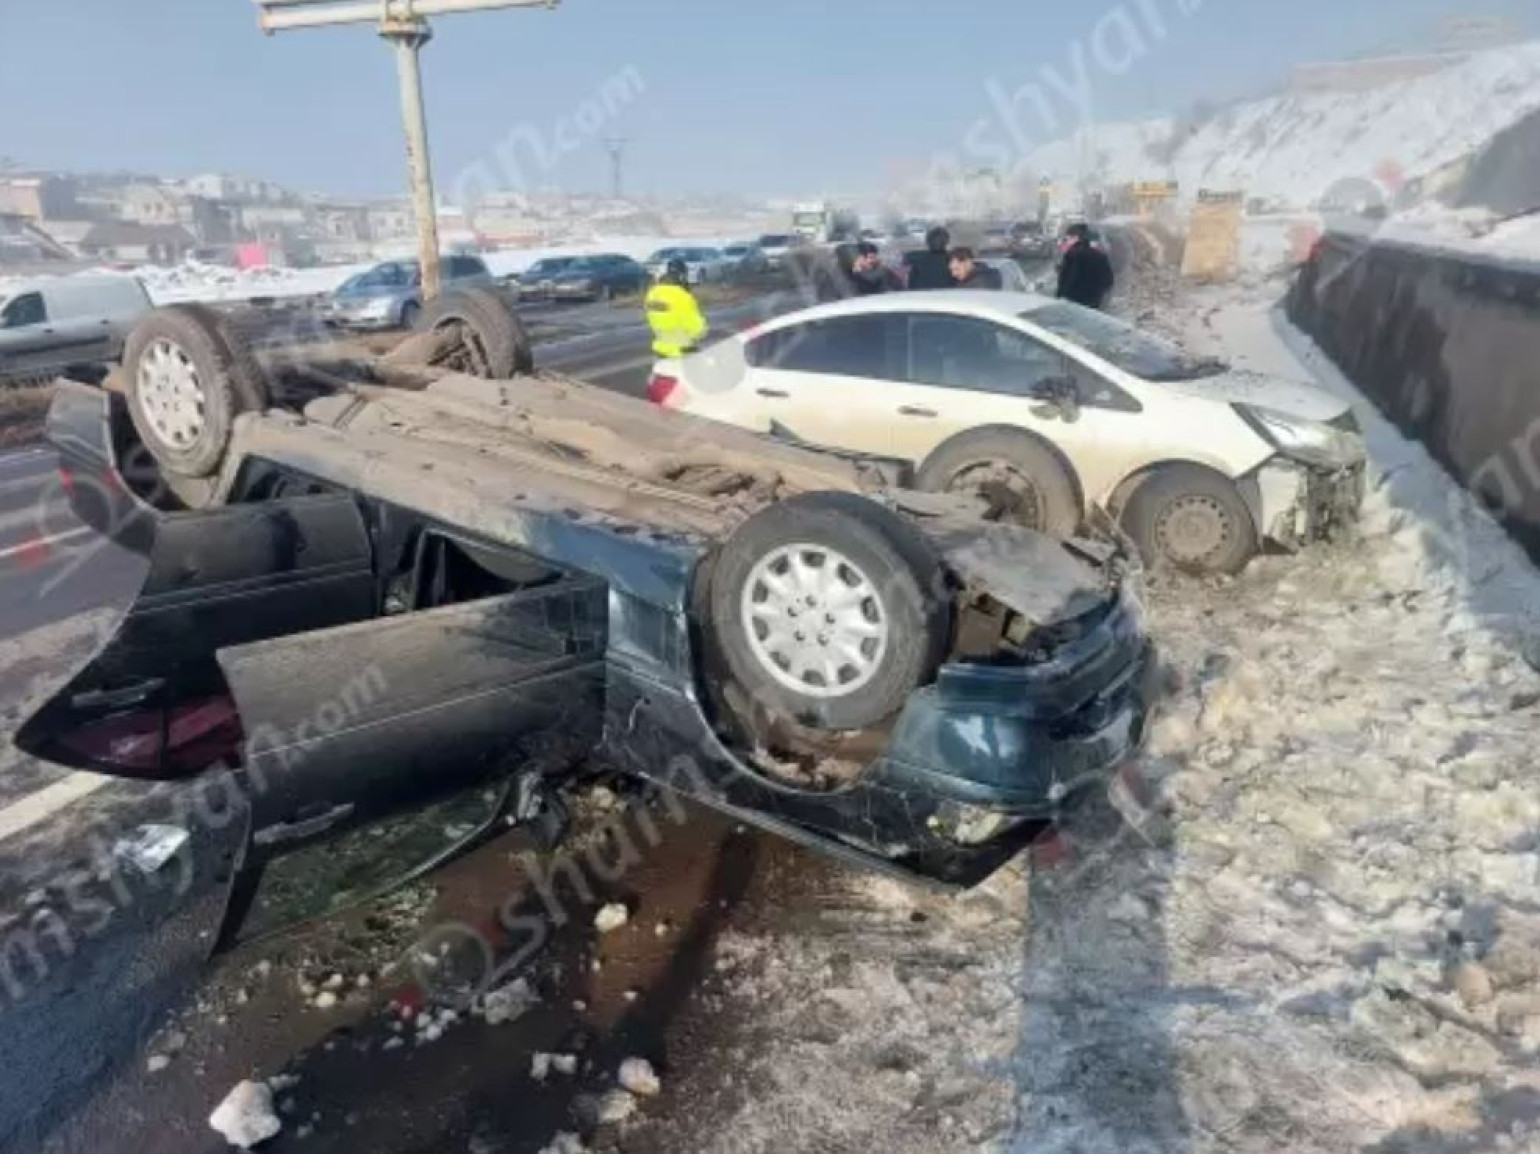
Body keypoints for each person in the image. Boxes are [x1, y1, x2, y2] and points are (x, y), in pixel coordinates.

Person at [645, 258, 708, 357]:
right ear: (682, 276)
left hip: (661, 347)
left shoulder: (652, 293)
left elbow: (652, 317)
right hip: (681, 349)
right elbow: (697, 329)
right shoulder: (682, 296)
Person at [1056, 223, 1115, 308]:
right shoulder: (1100, 256)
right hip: (1092, 303)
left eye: (1067, 238)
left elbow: (1069, 279)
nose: (1066, 241)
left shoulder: (1072, 255)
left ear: (1075, 237)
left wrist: (1060, 296)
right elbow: (1108, 281)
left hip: (1072, 303)